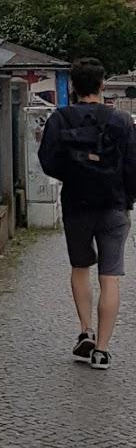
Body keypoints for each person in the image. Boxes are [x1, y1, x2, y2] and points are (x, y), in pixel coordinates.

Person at [39, 57, 136, 368]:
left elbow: (48, 160)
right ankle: (103, 351)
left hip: (76, 204)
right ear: (102, 85)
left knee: (80, 267)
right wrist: (128, 200)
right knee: (111, 276)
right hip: (114, 205)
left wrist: (73, 174)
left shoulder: (60, 119)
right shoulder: (121, 121)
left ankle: (85, 332)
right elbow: (133, 166)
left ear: (73, 86)